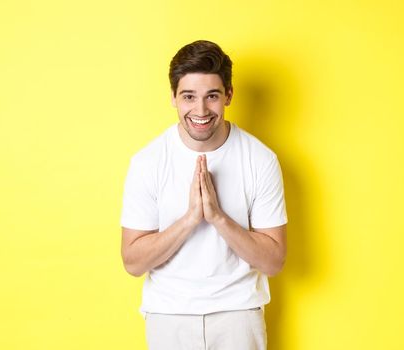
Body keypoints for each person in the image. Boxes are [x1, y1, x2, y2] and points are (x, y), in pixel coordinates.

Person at [119, 40, 288, 350]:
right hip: (169, 316)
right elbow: (132, 262)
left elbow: (274, 261)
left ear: (228, 95)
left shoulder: (260, 159)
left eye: (211, 96)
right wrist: (189, 220)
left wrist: (218, 218)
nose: (200, 110)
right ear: (173, 98)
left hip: (238, 315)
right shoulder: (147, 162)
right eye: (188, 97)